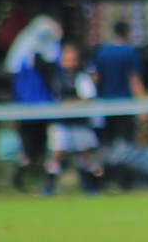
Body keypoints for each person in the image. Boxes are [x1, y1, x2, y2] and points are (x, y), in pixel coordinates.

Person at [5, 15, 61, 191]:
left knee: (42, 143)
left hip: (41, 107)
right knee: (33, 143)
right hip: (31, 108)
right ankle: (27, 177)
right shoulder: (26, 55)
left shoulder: (32, 53)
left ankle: (37, 178)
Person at [41, 43, 102, 196]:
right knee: (57, 153)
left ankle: (90, 185)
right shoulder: (57, 78)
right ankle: (49, 186)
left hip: (79, 123)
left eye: (72, 59)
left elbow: (88, 98)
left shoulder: (82, 77)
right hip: (62, 122)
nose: (68, 62)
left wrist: (70, 105)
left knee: (84, 154)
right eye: (66, 59)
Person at [92, 20, 146, 189]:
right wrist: (141, 105)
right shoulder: (130, 52)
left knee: (107, 143)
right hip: (125, 105)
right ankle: (122, 179)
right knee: (124, 143)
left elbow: (96, 78)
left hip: (106, 105)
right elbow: (134, 79)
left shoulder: (102, 52)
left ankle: (106, 178)